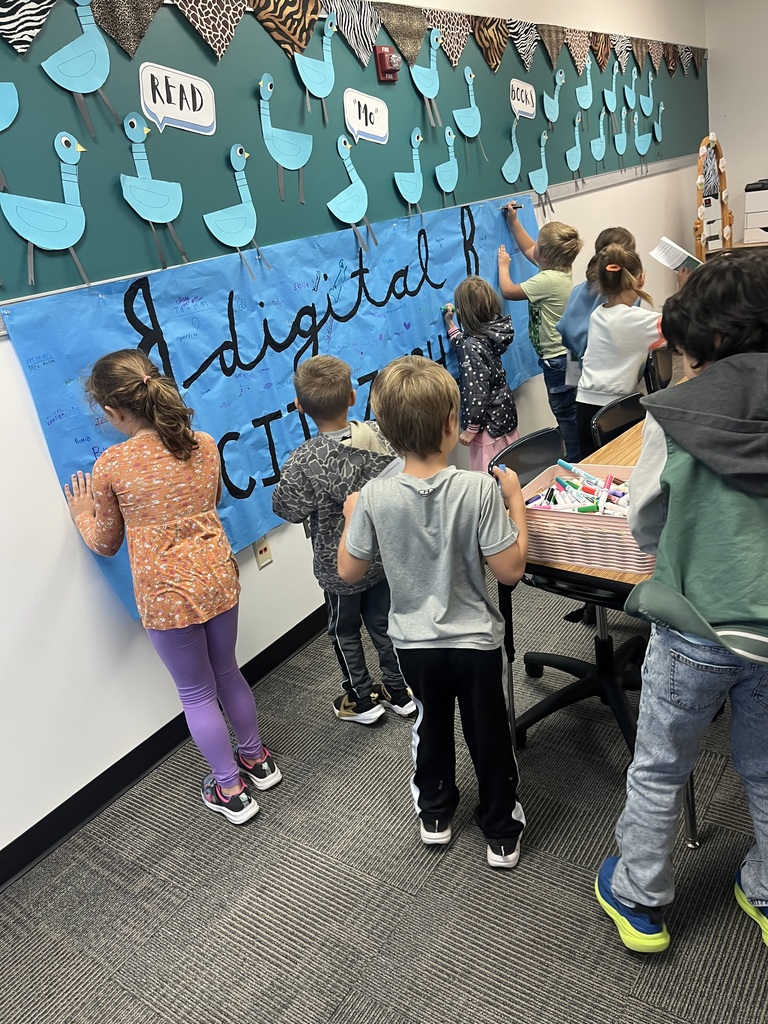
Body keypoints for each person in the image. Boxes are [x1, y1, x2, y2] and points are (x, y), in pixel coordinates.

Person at [595, 248, 768, 953]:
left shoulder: (673, 414)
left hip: (695, 626)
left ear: (713, 342)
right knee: (765, 766)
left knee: (662, 763)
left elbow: (645, 521)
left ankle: (640, 896)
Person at [64, 349, 281, 826]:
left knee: (197, 694)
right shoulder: (203, 443)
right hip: (218, 579)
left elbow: (105, 542)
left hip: (166, 598)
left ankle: (231, 790)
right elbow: (213, 498)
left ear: (112, 412)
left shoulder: (112, 465)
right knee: (228, 673)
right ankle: (258, 760)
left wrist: (81, 514)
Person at [337, 355, 528, 868]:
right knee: (488, 734)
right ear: (450, 424)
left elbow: (349, 572)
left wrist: (353, 516)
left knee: (431, 725)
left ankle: (436, 815)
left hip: (414, 645)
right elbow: (510, 570)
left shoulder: (374, 496)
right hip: (476, 645)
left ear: (385, 430)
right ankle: (501, 831)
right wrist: (515, 504)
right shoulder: (480, 488)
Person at [272, 354, 415, 725]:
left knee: (345, 630)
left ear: (300, 406)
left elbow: (287, 509)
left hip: (338, 565)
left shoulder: (303, 460)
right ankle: (399, 691)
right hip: (380, 556)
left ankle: (362, 699)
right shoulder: (380, 436)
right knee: (384, 623)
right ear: (352, 397)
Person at [497, 207, 583, 461]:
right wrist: (513, 221)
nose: (534, 247)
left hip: (557, 360)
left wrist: (503, 267)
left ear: (544, 256)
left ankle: (576, 455)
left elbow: (508, 291)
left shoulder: (547, 281)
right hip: (570, 354)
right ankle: (580, 446)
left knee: (564, 410)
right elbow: (529, 248)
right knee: (573, 405)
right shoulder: (560, 269)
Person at [575, 244, 664, 457]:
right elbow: (685, 326)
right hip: (616, 410)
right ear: (640, 279)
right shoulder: (637, 320)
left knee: (593, 467)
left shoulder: (598, 314)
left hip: (584, 406)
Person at [442, 275, 519, 472]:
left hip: (487, 426)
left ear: (463, 313)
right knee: (510, 468)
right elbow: (465, 343)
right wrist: (451, 325)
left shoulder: (471, 346)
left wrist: (471, 428)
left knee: (489, 476)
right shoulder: (490, 334)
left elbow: (476, 390)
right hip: (504, 415)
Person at [557, 226, 637, 363]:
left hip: (579, 363)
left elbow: (564, 327)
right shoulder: (627, 295)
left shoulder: (578, 290)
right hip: (610, 365)